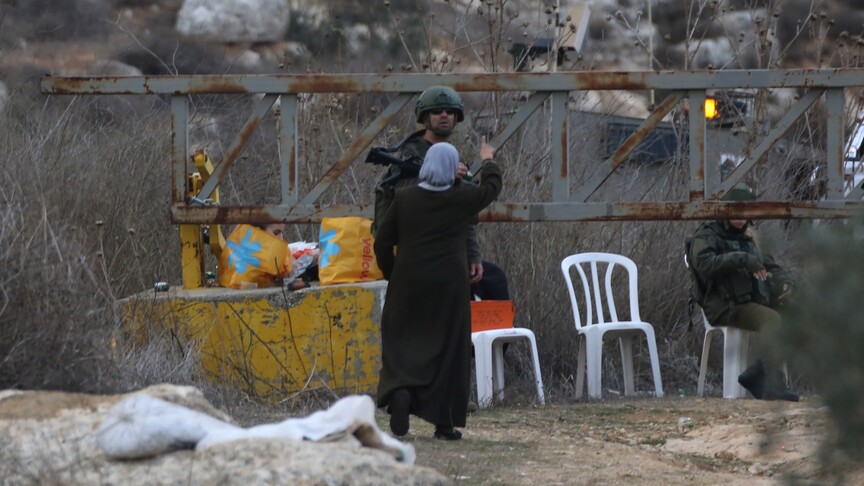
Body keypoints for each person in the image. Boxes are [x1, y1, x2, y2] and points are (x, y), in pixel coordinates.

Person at [374, 141, 501, 440]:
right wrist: (487, 160)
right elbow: (492, 188)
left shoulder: (404, 198)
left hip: (408, 281)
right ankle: (444, 423)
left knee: (401, 341)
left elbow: (382, 241)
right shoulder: (462, 198)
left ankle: (401, 391)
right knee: (449, 350)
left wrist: (392, 272)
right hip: (449, 286)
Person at [373, 85, 510, 301]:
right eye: (437, 111)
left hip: (450, 248)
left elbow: (465, 212)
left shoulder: (452, 156)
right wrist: (441, 176)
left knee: (494, 280)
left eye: (450, 111)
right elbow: (406, 197)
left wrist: (473, 255)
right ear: (425, 117)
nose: (444, 115)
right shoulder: (410, 155)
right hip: (417, 251)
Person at [687, 182, 799, 401]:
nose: (740, 219)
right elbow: (705, 264)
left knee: (798, 315)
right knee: (771, 320)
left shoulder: (751, 236)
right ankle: (774, 383)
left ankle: (756, 373)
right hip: (724, 304)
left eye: (744, 214)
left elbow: (771, 266)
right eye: (734, 213)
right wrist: (744, 259)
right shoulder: (707, 234)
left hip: (752, 300)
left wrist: (786, 284)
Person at [217, 223, 294, 289]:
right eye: (276, 232)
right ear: (259, 232)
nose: (281, 238)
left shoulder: (239, 248)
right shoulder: (256, 261)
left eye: (281, 233)